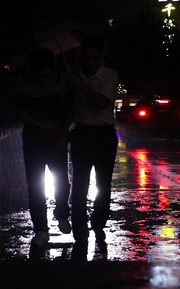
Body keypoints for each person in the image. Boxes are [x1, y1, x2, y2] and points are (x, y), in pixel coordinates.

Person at [65, 35, 119, 256]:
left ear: (100, 58)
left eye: (94, 58)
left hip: (104, 133)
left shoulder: (109, 75)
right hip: (82, 133)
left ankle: (98, 222)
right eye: (86, 57)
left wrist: (79, 84)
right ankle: (80, 229)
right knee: (80, 183)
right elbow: (67, 106)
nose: (89, 62)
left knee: (103, 184)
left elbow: (100, 102)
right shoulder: (73, 77)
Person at [14, 47, 72, 247]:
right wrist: (40, 125)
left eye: (46, 74)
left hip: (57, 140)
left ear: (53, 68)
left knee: (62, 182)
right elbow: (19, 112)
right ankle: (40, 229)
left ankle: (62, 213)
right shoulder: (26, 86)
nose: (44, 79)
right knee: (36, 186)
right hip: (33, 141)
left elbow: (71, 110)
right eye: (39, 75)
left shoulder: (65, 82)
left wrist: (64, 133)